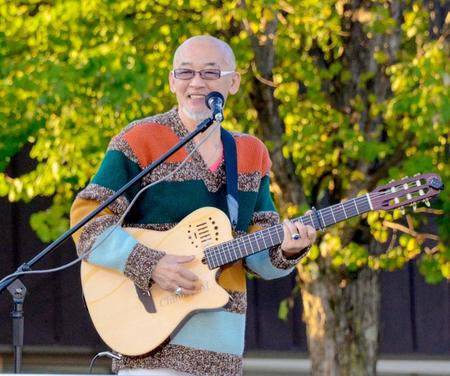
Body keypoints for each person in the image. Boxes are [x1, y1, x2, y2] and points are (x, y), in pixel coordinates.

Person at [70, 35, 316, 376]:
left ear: (233, 82)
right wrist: (149, 263)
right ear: (172, 81)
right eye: (185, 73)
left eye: (211, 73)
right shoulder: (139, 139)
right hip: (150, 347)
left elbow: (260, 257)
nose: (197, 83)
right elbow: (87, 221)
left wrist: (287, 251)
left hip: (223, 349)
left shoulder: (251, 153)